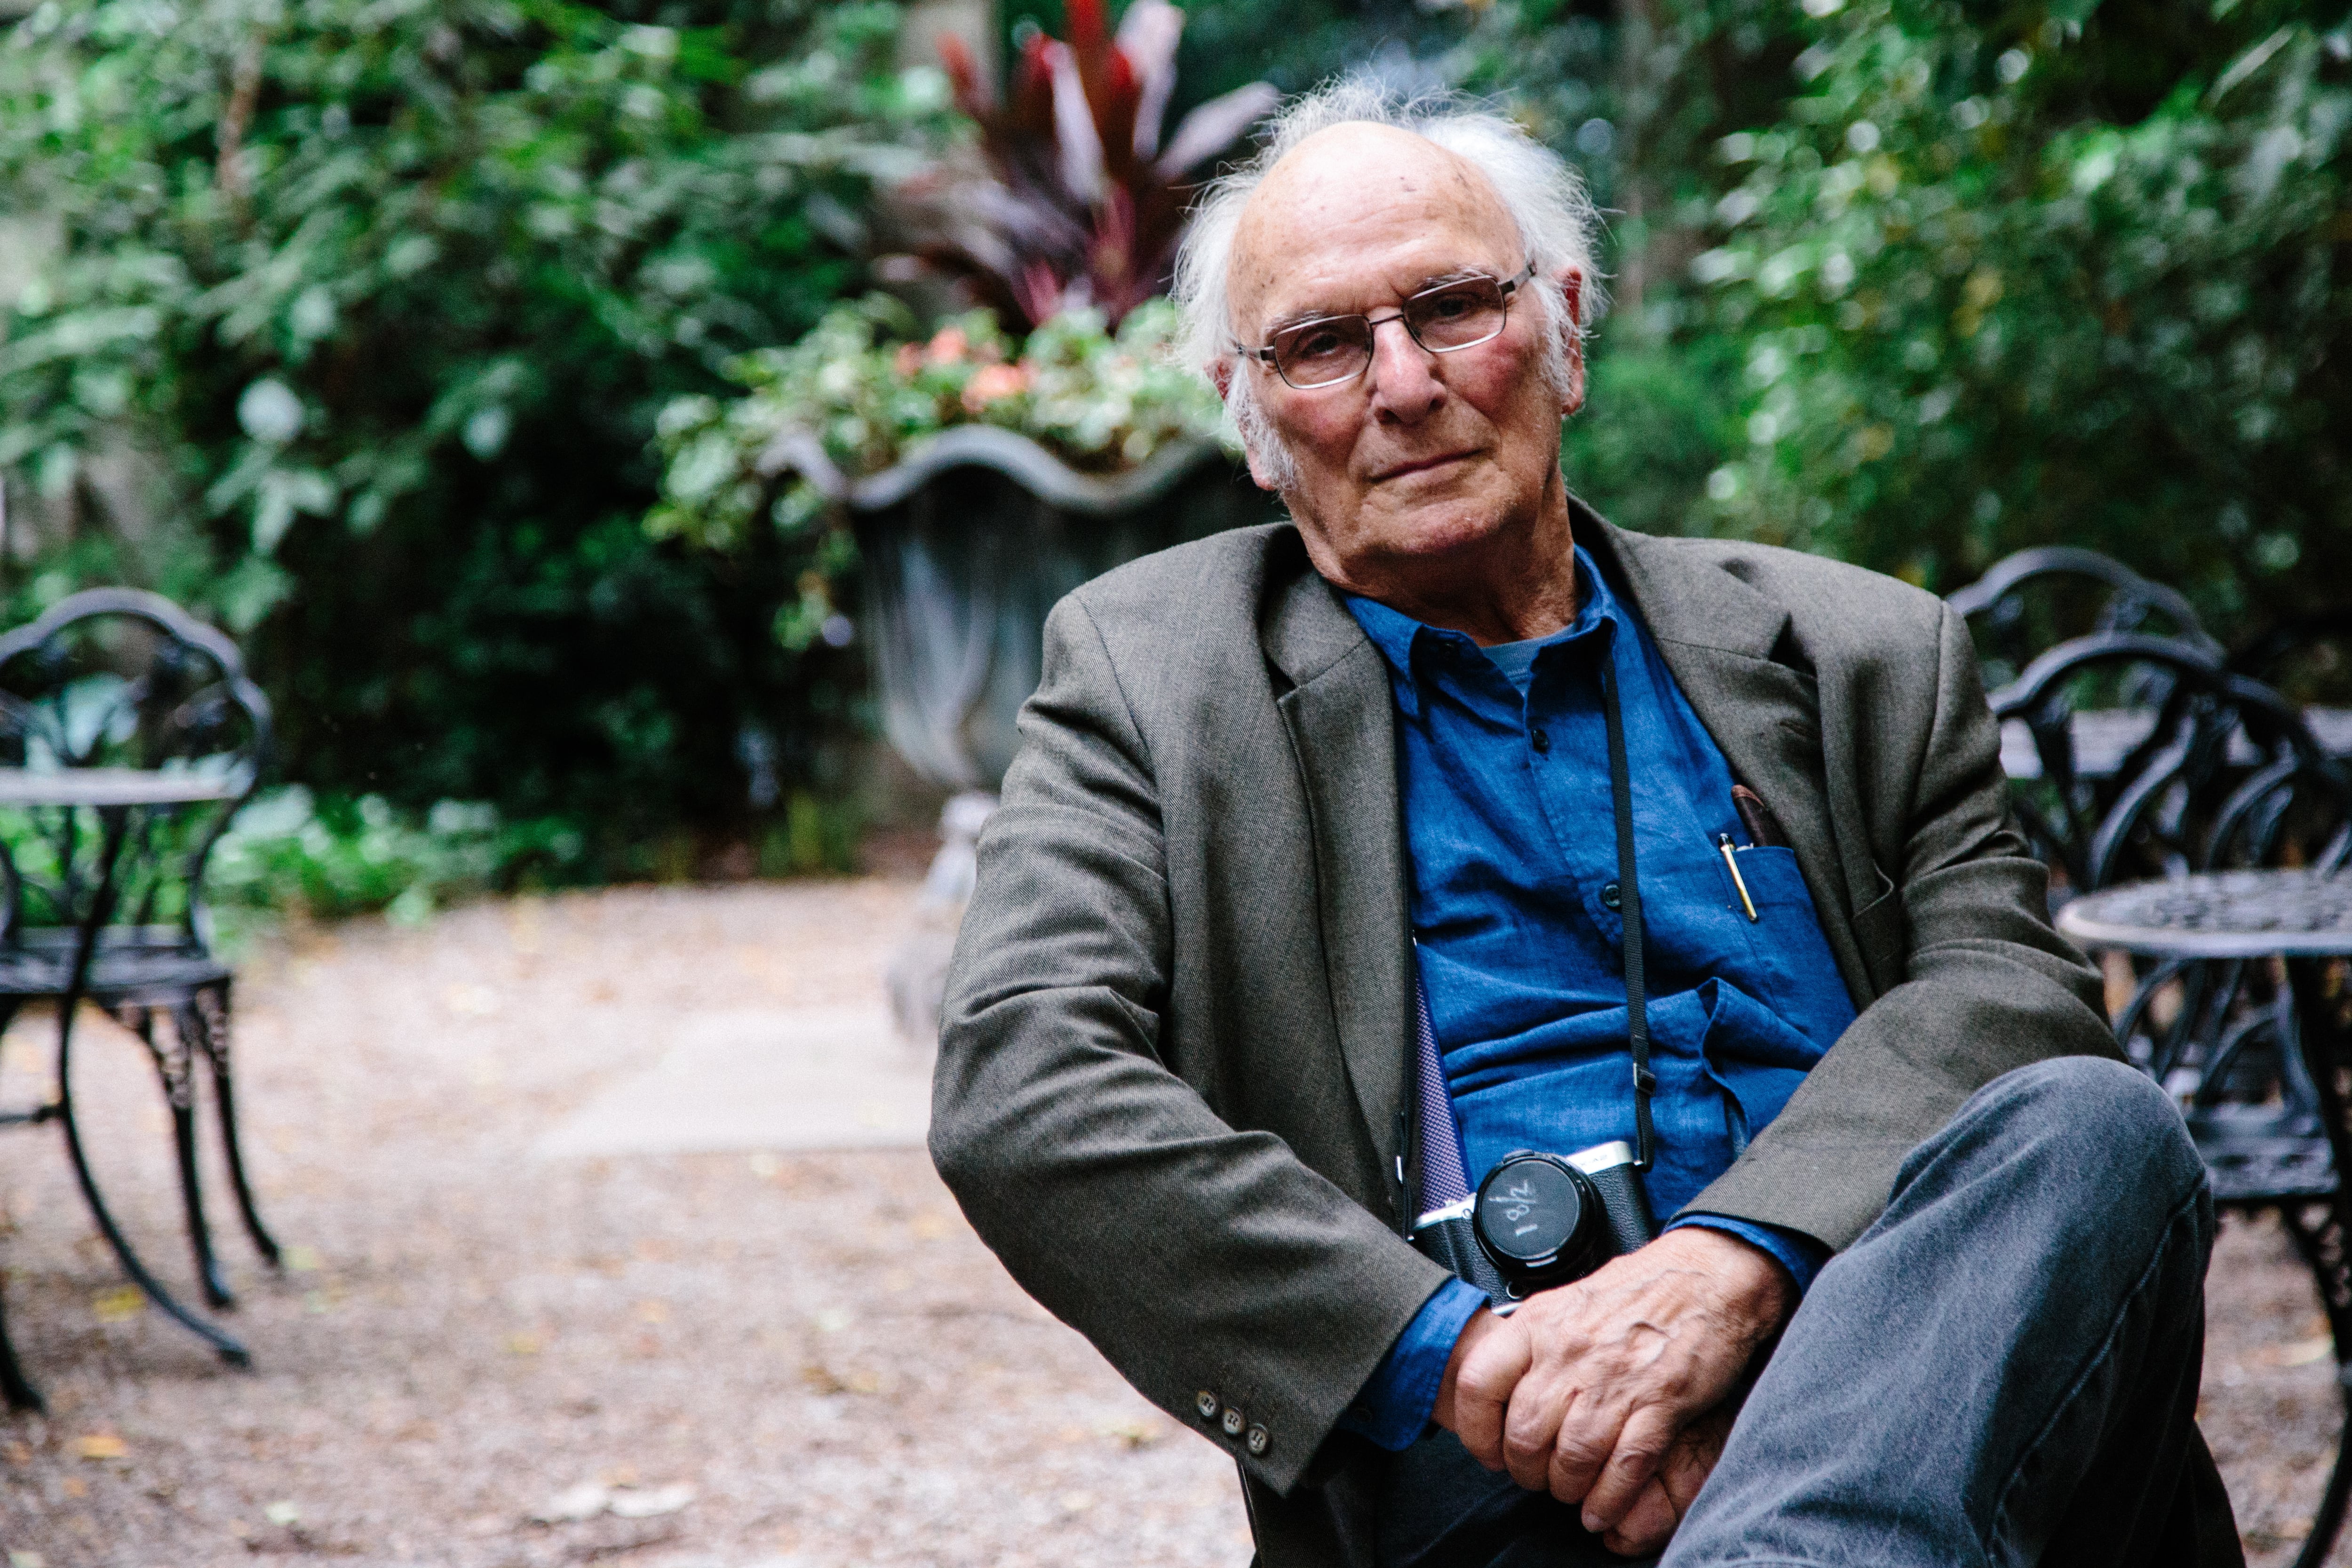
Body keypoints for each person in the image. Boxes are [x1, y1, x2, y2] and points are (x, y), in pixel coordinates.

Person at [930, 80, 2239, 1568]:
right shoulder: (1153, 672)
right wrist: (1470, 1363)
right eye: (1321, 344)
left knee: (2092, 1124)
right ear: (1254, 423)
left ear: (1563, 329)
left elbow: (2012, 997)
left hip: (1925, 1367)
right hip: (1504, 1468)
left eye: (1450, 306)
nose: (1403, 383)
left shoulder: (1862, 650)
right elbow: (1024, 1087)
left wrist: (1731, 1273)